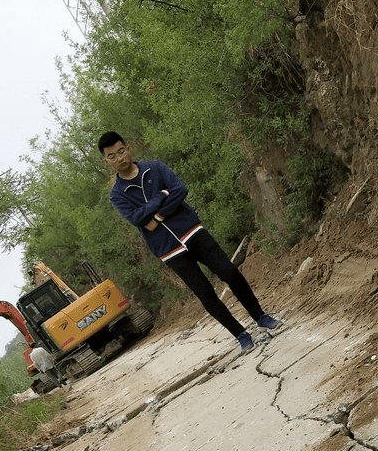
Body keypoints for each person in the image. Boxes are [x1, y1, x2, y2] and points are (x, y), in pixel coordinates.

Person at [99, 132, 281, 353]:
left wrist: (156, 216)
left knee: (228, 272)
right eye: (112, 156)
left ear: (128, 149)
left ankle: (260, 316)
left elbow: (179, 190)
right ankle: (240, 334)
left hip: (192, 231)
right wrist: (161, 197)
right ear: (106, 161)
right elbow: (137, 219)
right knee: (205, 293)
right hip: (168, 250)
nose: (119, 158)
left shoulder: (155, 168)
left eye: (121, 151)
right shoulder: (117, 194)